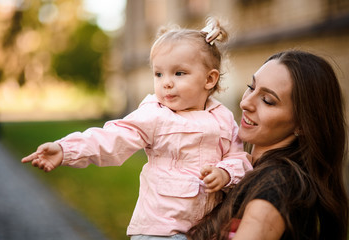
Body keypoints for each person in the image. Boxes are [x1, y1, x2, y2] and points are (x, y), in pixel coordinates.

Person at [21, 17, 252, 239]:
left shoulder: (223, 118)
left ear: (209, 80)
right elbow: (112, 138)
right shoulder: (155, 114)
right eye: (158, 74)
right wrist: (65, 150)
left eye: (179, 73)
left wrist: (225, 173)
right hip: (160, 231)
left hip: (207, 229)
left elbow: (240, 158)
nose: (166, 82)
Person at [186, 50, 349, 240]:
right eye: (251, 87)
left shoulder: (277, 184)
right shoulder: (244, 170)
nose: (245, 103)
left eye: (267, 100)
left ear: (303, 124)